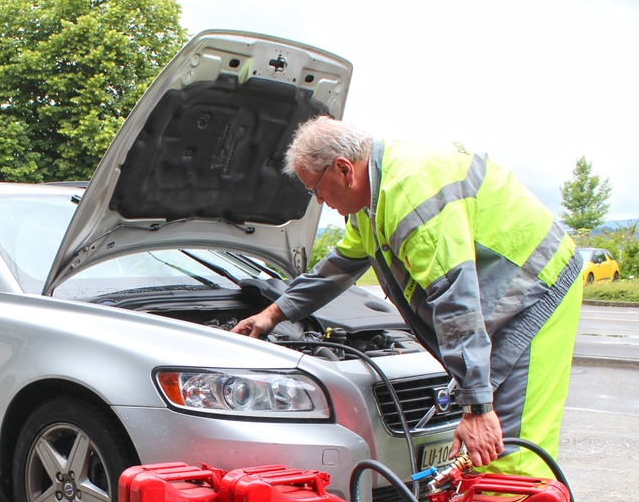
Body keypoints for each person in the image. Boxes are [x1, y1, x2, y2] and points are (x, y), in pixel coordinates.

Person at [232, 116, 583, 478]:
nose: (319, 200)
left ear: (343, 169)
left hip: (535, 288)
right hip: (497, 300)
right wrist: (272, 314)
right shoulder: (372, 204)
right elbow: (335, 269)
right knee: (482, 454)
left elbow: (454, 299)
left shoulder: (411, 195)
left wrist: (477, 408)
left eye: (316, 189)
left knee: (509, 446)